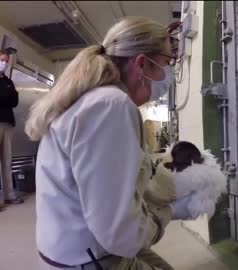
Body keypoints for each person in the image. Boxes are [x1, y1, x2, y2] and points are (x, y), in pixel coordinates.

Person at [25, 17, 198, 270]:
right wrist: (170, 212)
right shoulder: (110, 106)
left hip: (72, 251)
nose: (167, 75)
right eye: (165, 64)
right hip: (90, 260)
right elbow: (121, 235)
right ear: (141, 63)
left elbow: (115, 186)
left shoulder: (90, 99)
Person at [0, 49, 24, 209]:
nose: (4, 63)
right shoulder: (7, 85)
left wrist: (6, 95)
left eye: (6, 61)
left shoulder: (8, 81)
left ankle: (9, 195)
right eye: (2, 59)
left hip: (8, 123)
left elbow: (15, 100)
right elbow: (7, 97)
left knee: (7, 162)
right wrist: (6, 96)